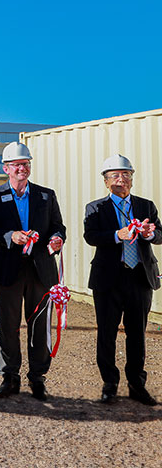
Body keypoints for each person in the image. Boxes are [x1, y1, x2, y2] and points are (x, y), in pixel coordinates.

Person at [0, 141, 65, 401]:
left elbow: (58, 226)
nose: (22, 168)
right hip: (8, 269)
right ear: (6, 168)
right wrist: (10, 236)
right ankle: (10, 376)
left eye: (26, 164)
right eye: (17, 164)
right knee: (8, 325)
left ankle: (37, 377)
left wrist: (57, 239)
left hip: (41, 270)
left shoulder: (45, 195)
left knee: (39, 325)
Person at [84, 154, 161, 406]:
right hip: (108, 279)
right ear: (106, 182)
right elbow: (91, 236)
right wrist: (118, 234)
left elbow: (160, 234)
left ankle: (137, 385)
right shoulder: (96, 208)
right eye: (115, 175)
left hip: (139, 277)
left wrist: (150, 234)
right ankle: (110, 383)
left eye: (126, 174)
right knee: (107, 333)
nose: (122, 180)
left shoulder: (146, 205)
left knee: (137, 333)